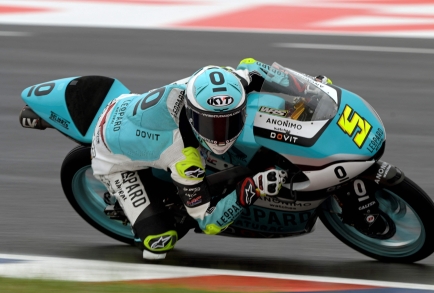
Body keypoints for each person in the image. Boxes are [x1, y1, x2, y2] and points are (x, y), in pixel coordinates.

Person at [91, 58, 382, 260]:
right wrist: (251, 189)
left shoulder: (230, 80)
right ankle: (131, 207)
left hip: (133, 109)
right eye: (211, 125)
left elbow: (255, 67)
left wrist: (309, 88)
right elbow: (208, 222)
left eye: (230, 121)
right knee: (160, 243)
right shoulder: (182, 156)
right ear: (193, 116)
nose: (221, 134)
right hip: (111, 155)